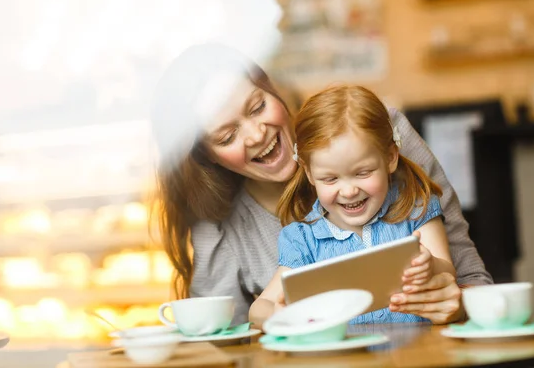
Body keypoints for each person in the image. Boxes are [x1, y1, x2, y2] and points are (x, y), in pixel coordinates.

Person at [150, 43, 492, 327]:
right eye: (227, 136)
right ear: (207, 156)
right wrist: (276, 321)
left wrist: (457, 303)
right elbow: (223, 341)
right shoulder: (232, 224)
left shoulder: (380, 138)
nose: (257, 135)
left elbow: (472, 278)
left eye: (258, 107)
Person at [249, 85, 456, 327]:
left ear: (390, 157)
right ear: (309, 173)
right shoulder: (303, 239)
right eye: (330, 179)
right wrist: (278, 315)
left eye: (363, 173)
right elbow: (258, 309)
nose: (348, 191)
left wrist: (431, 265)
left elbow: (448, 272)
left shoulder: (415, 205)